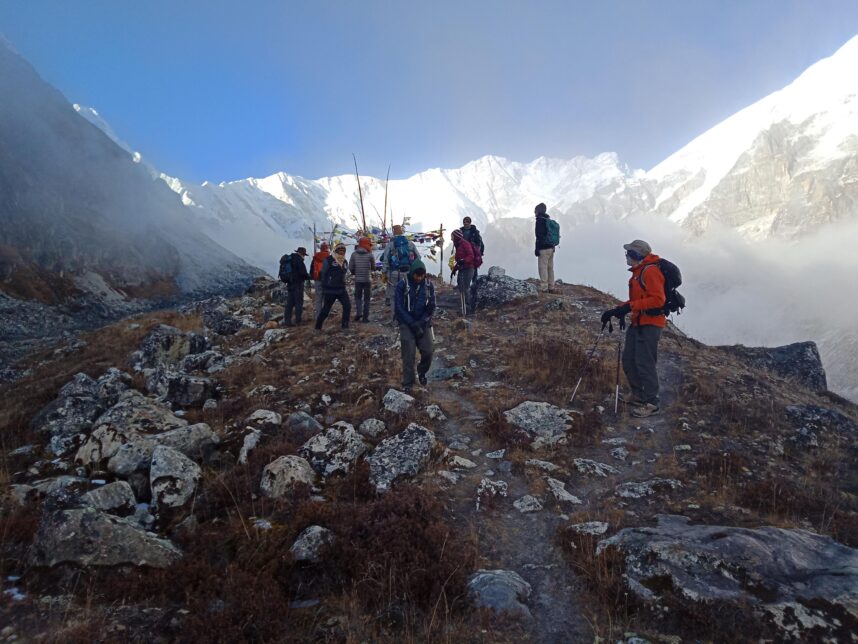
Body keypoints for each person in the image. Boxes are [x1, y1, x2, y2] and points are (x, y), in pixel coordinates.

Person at [601, 239, 666, 418]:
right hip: (638, 321)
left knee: (645, 362)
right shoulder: (638, 273)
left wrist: (629, 308)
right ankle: (638, 395)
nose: (626, 256)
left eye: (629, 253)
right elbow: (639, 299)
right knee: (629, 359)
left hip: (651, 323)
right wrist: (618, 309)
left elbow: (658, 300)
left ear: (637, 255)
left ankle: (652, 402)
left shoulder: (650, 272)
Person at [394, 258, 435, 392]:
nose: (419, 278)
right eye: (417, 275)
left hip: (423, 322)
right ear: (412, 273)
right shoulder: (402, 285)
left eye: (422, 275)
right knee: (409, 353)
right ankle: (408, 383)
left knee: (428, 350)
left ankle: (422, 371)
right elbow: (399, 307)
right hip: (406, 323)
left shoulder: (429, 286)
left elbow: (431, 306)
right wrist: (411, 323)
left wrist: (422, 322)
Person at [382, 225, 420, 319]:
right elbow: (418, 257)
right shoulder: (410, 243)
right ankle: (407, 317)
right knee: (407, 294)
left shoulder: (391, 244)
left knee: (394, 296)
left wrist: (384, 273)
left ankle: (395, 319)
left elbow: (386, 260)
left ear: (394, 232)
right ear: (402, 232)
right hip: (408, 273)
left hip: (394, 273)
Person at [315, 243, 352, 331]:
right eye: (340, 250)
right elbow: (323, 273)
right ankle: (317, 327)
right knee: (326, 309)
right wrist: (325, 285)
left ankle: (345, 326)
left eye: (343, 250)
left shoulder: (345, 261)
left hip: (341, 289)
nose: (342, 252)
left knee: (347, 306)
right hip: (330, 289)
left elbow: (344, 273)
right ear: (336, 250)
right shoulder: (328, 260)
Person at [451, 229, 477, 316]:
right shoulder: (458, 245)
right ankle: (463, 309)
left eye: (452, 237)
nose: (451, 239)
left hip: (469, 268)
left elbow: (471, 256)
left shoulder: (465, 244)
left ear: (456, 237)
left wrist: (464, 261)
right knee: (461, 287)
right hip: (462, 268)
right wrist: (455, 269)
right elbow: (459, 260)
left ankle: (468, 309)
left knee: (465, 288)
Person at [349, 237, 375, 322]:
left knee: (358, 297)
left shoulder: (354, 254)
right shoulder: (370, 254)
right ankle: (365, 317)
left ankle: (359, 313)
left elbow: (350, 267)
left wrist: (354, 273)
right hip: (367, 279)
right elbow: (373, 267)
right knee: (367, 299)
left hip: (358, 280)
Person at [282, 247, 310, 326]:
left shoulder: (290, 259)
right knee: (299, 302)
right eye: (304, 255)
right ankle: (298, 321)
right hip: (298, 284)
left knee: (290, 303)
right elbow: (303, 273)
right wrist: (309, 277)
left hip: (290, 284)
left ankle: (287, 321)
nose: (304, 257)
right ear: (302, 254)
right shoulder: (299, 260)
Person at [534, 203, 558, 292]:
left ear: (538, 211)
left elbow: (539, 236)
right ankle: (551, 286)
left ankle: (544, 287)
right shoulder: (548, 219)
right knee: (550, 267)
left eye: (535, 211)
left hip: (543, 249)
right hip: (551, 248)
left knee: (542, 267)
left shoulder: (539, 221)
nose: (534, 213)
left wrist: (537, 249)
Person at [460, 216, 484, 305]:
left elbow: (480, 243)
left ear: (470, 222)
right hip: (464, 254)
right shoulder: (460, 232)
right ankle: (465, 288)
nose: (465, 223)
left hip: (473, 254)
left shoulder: (475, 232)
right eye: (464, 222)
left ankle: (474, 286)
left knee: (473, 270)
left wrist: (479, 254)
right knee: (463, 270)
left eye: (467, 222)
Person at [310, 242, 331, 318]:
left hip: (317, 280)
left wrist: (313, 278)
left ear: (321, 248)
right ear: (327, 248)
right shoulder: (329, 257)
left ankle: (318, 316)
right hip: (327, 280)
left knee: (318, 298)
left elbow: (311, 270)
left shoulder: (316, 257)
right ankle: (325, 315)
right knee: (327, 298)